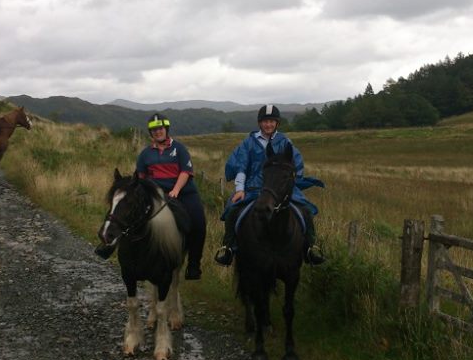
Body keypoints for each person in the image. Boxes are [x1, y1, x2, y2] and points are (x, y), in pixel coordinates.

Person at [95, 113, 207, 281]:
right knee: (128, 215)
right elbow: (140, 177)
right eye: (154, 130)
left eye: (160, 129)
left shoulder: (179, 149)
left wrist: (176, 190)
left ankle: (193, 265)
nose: (157, 132)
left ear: (166, 129)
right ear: (151, 133)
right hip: (155, 192)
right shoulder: (145, 154)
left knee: (199, 222)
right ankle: (109, 245)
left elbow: (185, 172)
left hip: (182, 191)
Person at [214, 104, 325, 266]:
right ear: (260, 123)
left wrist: (289, 184)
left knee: (306, 210)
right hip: (253, 188)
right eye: (265, 121)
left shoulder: (285, 143)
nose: (268, 125)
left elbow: (295, 165)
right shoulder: (249, 143)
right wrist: (239, 189)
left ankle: (310, 248)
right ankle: (229, 248)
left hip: (280, 189)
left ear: (277, 123)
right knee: (232, 211)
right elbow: (241, 166)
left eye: (272, 121)